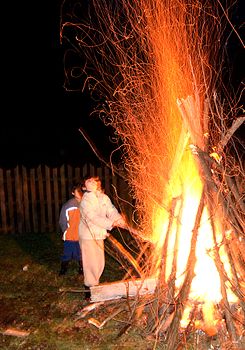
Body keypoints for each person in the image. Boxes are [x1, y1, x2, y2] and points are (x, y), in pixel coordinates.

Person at [78, 176, 126, 299]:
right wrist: (110, 224)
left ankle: (96, 284)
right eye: (91, 181)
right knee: (90, 263)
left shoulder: (103, 198)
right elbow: (93, 217)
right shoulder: (86, 200)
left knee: (99, 262)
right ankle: (89, 289)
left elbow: (111, 210)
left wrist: (118, 219)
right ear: (85, 186)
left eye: (96, 180)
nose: (95, 182)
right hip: (88, 235)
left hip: (99, 234)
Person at [58, 182, 84, 276]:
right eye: (77, 191)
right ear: (73, 193)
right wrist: (66, 230)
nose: (80, 192)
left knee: (80, 253)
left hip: (82, 235)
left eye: (81, 191)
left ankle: (81, 269)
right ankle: (63, 269)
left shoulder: (86, 204)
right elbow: (62, 220)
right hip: (70, 235)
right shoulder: (68, 205)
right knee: (67, 253)